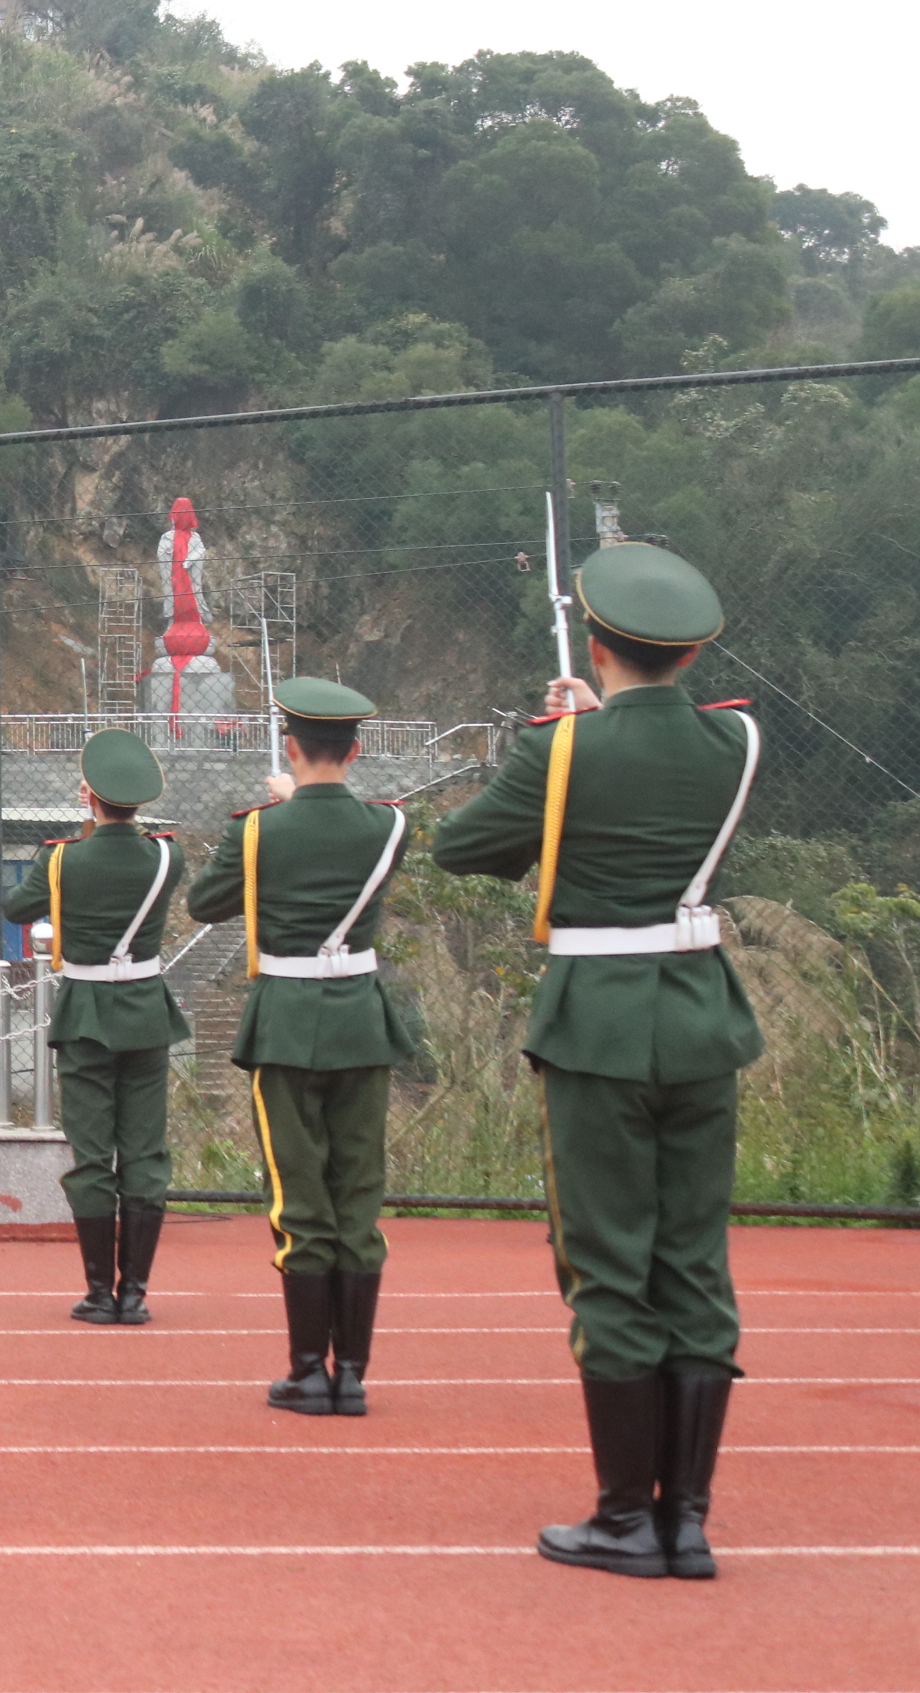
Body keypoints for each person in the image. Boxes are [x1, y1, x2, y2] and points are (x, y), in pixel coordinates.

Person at [433, 543, 759, 1581]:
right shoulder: (736, 742)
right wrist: (590, 728)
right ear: (695, 648)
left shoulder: (561, 750)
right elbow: (657, 773)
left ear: (599, 642)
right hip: (702, 1017)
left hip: (599, 1024)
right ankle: (689, 1519)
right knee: (694, 1257)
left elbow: (462, 847)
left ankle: (626, 1516)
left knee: (609, 1262)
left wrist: (560, 744)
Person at [185, 677, 418, 1418]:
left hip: (286, 1018)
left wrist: (281, 814)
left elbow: (205, 904)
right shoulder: (390, 827)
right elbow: (346, 840)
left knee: (298, 1193)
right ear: (355, 749)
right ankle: (351, 1373)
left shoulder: (257, 831)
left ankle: (305, 1372)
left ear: (290, 746)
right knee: (358, 1190)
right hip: (359, 1019)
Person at [0, 727, 188, 1326]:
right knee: (145, 1152)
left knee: (90, 1155)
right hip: (146, 1012)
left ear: (89, 794)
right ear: (142, 799)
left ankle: (98, 1293)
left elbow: (16, 908)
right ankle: (135, 1292)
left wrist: (79, 835)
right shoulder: (167, 856)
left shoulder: (60, 861)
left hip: (85, 1014)